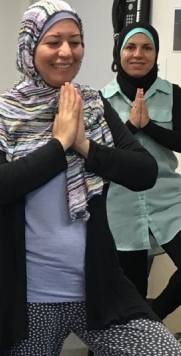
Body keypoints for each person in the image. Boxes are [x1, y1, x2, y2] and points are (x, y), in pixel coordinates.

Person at [0, 1, 181, 355]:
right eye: (53, 42)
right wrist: (59, 144)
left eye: (75, 41)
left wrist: (83, 144)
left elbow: (144, 171)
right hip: (27, 296)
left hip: (97, 288)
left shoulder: (94, 106)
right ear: (29, 46)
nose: (66, 52)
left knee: (163, 350)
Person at [103, 22, 181, 325]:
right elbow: (96, 155)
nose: (139, 54)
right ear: (118, 53)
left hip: (169, 201)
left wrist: (149, 126)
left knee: (143, 311)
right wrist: (131, 127)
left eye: (147, 47)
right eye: (130, 47)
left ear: (156, 53)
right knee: (131, 293)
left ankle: (155, 315)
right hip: (120, 208)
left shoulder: (174, 94)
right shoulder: (99, 100)